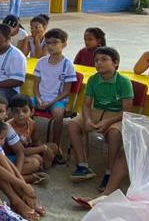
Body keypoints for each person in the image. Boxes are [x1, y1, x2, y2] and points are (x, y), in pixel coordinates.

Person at [68, 47, 133, 189]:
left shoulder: (124, 82)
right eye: (96, 60)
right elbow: (86, 105)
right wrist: (88, 120)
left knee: (114, 133)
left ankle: (109, 172)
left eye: (104, 59)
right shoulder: (93, 79)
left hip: (116, 115)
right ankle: (82, 165)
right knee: (72, 124)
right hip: (96, 112)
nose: (99, 63)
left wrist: (108, 122)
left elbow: (126, 110)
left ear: (115, 63)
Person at [32, 28, 79, 155]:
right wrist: (39, 99)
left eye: (55, 42)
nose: (50, 46)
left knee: (58, 114)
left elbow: (66, 91)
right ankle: (28, 139)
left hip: (58, 100)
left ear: (64, 44)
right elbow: (35, 86)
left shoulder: (67, 65)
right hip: (40, 98)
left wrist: (50, 102)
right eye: (48, 43)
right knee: (21, 105)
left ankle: (56, 146)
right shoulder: (41, 62)